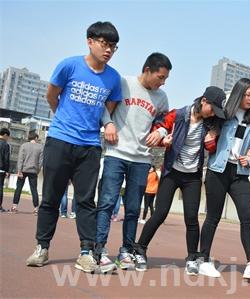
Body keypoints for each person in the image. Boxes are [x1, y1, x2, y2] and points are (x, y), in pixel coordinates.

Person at [26, 21, 122, 273]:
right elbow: (51, 95)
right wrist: (63, 120)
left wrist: (107, 125)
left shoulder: (113, 78)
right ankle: (42, 247)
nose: (109, 49)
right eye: (104, 43)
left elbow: (107, 110)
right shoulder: (69, 65)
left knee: (86, 200)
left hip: (90, 146)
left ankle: (86, 252)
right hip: (60, 140)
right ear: (90, 41)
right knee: (51, 197)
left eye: (113, 46)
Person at [133, 86, 226, 275]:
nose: (212, 114)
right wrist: (162, 139)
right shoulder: (178, 115)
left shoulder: (212, 123)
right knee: (160, 214)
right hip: (172, 172)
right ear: (204, 102)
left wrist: (211, 139)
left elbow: (211, 148)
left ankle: (192, 257)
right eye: (212, 109)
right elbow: (160, 128)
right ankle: (140, 249)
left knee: (191, 218)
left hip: (192, 176)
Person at [95, 52, 171, 272]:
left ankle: (126, 251)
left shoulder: (161, 97)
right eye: (160, 77)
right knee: (107, 203)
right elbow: (104, 108)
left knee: (133, 208)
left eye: (165, 79)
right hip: (116, 153)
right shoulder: (123, 83)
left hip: (141, 158)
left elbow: (163, 122)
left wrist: (162, 133)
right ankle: (98, 250)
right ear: (147, 70)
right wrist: (108, 124)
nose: (162, 82)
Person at [198, 78, 250, 280]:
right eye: (247, 94)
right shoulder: (224, 116)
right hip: (218, 170)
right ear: (239, 93)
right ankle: (204, 259)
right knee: (213, 216)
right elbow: (207, 128)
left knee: (247, 216)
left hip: (240, 173)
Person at [10, 132, 43, 215]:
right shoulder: (40, 147)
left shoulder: (24, 145)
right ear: (35, 138)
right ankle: (36, 209)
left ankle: (14, 207)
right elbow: (40, 161)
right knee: (34, 190)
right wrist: (37, 170)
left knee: (18, 188)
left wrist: (19, 170)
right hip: (33, 171)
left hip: (23, 170)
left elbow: (20, 159)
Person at [0, 128, 10, 213]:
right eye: (8, 137)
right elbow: (6, 158)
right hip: (1, 169)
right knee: (0, 187)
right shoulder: (5, 145)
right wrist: (7, 170)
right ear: (5, 135)